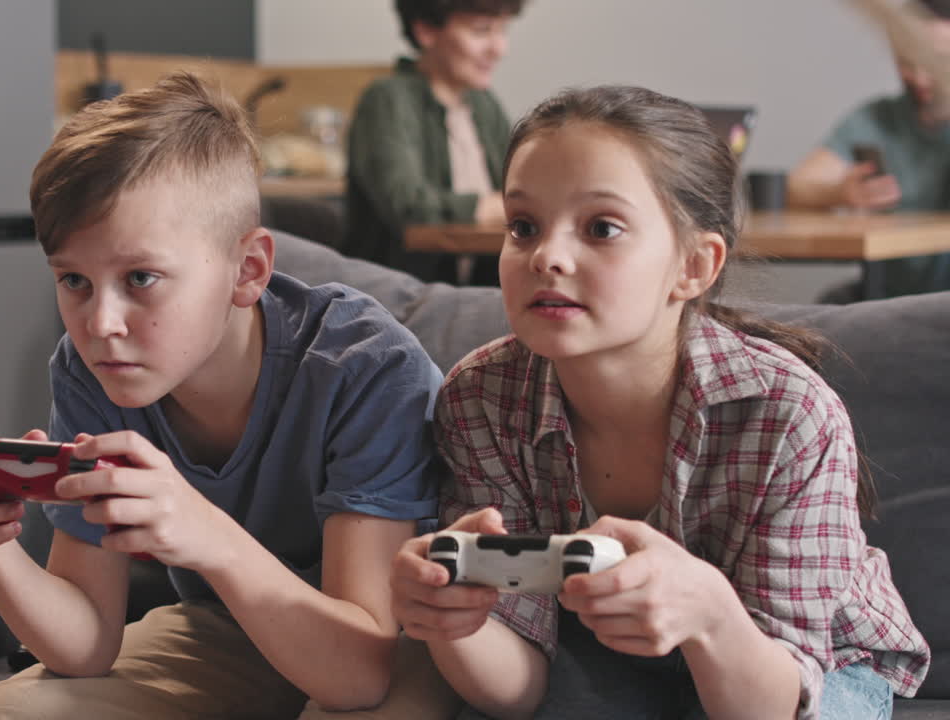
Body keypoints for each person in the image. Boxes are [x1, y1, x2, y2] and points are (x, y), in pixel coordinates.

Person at [0, 72, 458, 719]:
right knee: (20, 712)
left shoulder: (364, 366)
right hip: (230, 625)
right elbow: (85, 645)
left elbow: (358, 677)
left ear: (248, 270)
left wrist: (207, 534)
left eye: (140, 278)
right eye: (75, 281)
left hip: (398, 640)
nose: (100, 324)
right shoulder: (91, 374)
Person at [389, 85, 930, 719]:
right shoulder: (480, 399)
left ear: (694, 266)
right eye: (523, 226)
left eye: (602, 228)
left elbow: (772, 708)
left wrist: (710, 612)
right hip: (599, 654)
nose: (547, 256)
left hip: (796, 673)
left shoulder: (789, 414)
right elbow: (520, 692)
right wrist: (452, 622)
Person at [344, 0, 524, 285]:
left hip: (477, 292)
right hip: (399, 294)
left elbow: (523, 186)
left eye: (502, 31)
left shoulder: (484, 104)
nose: (499, 49)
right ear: (426, 30)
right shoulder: (387, 99)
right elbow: (409, 206)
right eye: (481, 31)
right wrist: (492, 207)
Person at [786, 0, 950, 297]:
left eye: (936, 61)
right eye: (907, 61)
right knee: (828, 306)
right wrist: (839, 192)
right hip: (888, 295)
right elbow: (797, 186)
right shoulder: (879, 118)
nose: (920, 77)